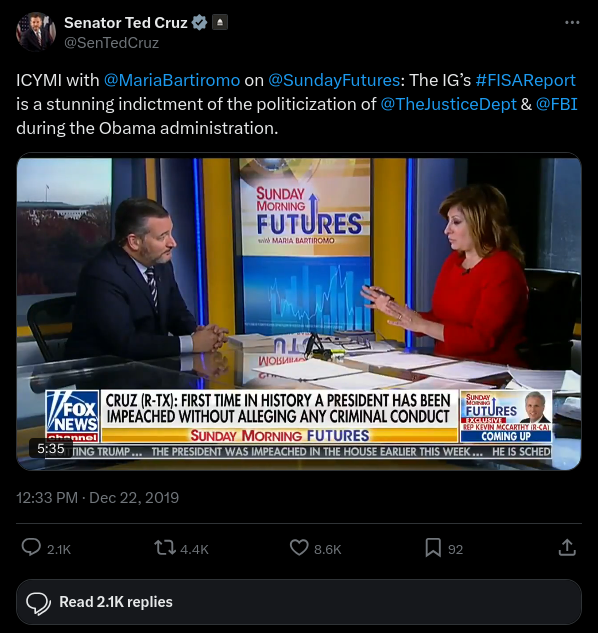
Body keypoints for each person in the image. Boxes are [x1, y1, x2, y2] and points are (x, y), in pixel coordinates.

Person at [361, 184, 528, 366]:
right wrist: (395, 310)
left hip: (489, 370)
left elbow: (482, 339)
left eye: (456, 222)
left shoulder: (503, 268)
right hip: (447, 366)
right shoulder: (454, 261)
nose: (447, 230)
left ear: (481, 224)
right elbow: (440, 320)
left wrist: (422, 325)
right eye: (448, 222)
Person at [65, 198, 228, 361]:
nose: (173, 243)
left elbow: (176, 313)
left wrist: (200, 334)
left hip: (150, 366)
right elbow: (125, 343)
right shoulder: (102, 274)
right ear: (134, 242)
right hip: (104, 369)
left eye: (170, 233)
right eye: (162, 237)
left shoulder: (160, 263)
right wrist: (191, 343)